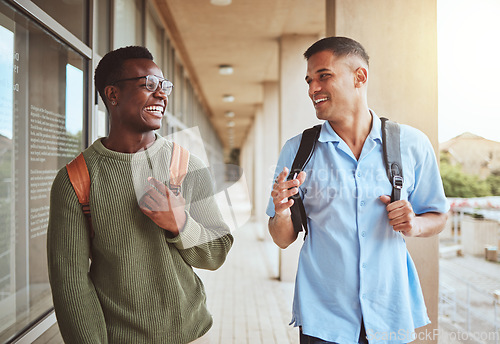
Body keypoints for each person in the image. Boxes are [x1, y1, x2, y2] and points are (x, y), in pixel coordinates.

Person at [266, 37, 449, 344]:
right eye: (309, 80)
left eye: (324, 76)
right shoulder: (298, 151)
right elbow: (282, 238)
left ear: (359, 76)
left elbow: (439, 216)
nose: (313, 89)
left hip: (390, 315)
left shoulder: (412, 144)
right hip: (323, 318)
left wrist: (414, 224)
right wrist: (282, 212)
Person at [47, 46, 233, 344]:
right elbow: (70, 282)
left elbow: (217, 253)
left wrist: (180, 223)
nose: (161, 95)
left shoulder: (187, 166)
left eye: (164, 86)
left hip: (192, 334)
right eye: (149, 85)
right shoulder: (76, 179)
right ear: (113, 94)